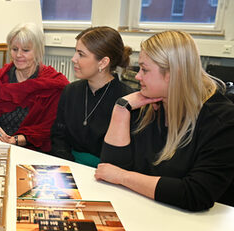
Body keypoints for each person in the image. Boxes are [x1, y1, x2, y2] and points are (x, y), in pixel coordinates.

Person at [95, 31, 234, 211]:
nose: (137, 77)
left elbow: (196, 195)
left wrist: (124, 177)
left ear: (173, 74)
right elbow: (110, 169)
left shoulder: (221, 120)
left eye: (144, 70)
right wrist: (121, 109)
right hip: (149, 210)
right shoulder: (148, 104)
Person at [50, 26, 135, 167]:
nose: (73, 59)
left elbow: (124, 157)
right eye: (75, 52)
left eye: (81, 54)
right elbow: (59, 137)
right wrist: (68, 166)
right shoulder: (70, 91)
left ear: (103, 62)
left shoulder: (127, 100)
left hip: (106, 174)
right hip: (68, 165)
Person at [0, 23, 69, 152]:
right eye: (14, 49)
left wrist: (17, 140)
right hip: (0, 148)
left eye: (26, 50)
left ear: (38, 51)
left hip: (35, 151)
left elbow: (50, 128)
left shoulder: (52, 83)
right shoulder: (0, 79)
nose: (18, 55)